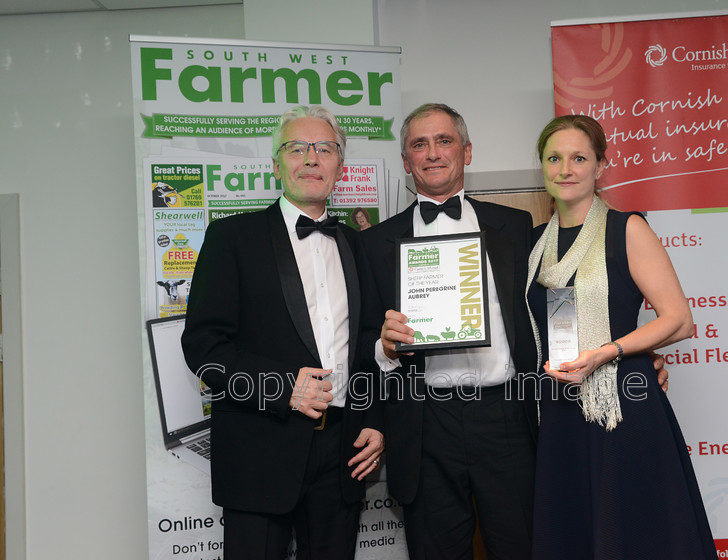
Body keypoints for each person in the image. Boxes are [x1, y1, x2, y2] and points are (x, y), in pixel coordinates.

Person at [181, 105, 384, 560]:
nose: (312, 158)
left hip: (343, 456)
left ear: (339, 165)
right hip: (259, 451)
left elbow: (368, 340)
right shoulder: (231, 237)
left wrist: (372, 419)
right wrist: (281, 388)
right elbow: (203, 346)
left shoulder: (355, 243)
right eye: (297, 148)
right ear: (277, 165)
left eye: (325, 148)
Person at [526, 114, 717, 559]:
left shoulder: (626, 228)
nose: (565, 169)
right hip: (559, 410)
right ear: (543, 168)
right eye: (554, 158)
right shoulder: (533, 244)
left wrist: (608, 353)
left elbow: (678, 319)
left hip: (621, 407)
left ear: (600, 166)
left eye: (578, 158)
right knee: (575, 534)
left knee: (633, 535)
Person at [361, 103, 539, 559]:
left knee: (522, 547)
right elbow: (358, 338)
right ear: (406, 161)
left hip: (505, 417)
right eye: (419, 144)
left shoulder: (515, 227)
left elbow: (550, 305)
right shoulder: (374, 243)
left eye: (444, 140)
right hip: (424, 424)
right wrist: (384, 347)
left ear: (467, 151)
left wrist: (625, 352)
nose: (433, 153)